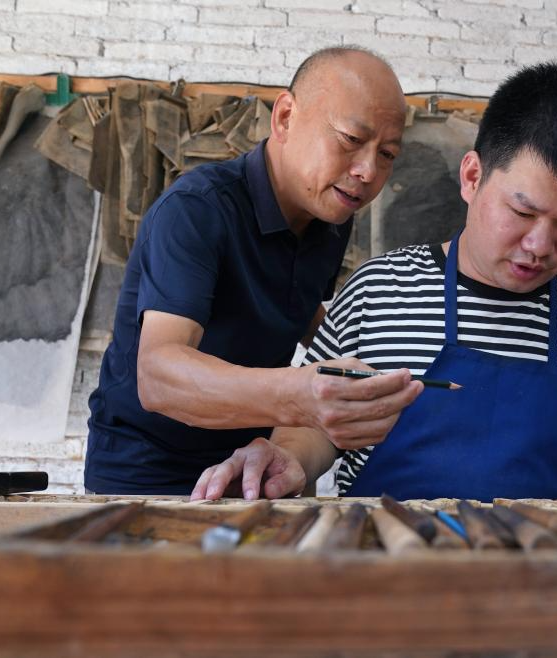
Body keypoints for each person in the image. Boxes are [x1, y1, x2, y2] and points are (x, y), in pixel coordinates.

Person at [190, 63, 557, 507]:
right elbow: (312, 431)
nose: (540, 245)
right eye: (522, 211)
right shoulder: (378, 291)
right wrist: (286, 459)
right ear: (472, 177)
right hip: (387, 583)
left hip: (541, 594)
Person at [84, 47, 424, 495]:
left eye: (387, 154)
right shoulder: (197, 210)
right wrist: (300, 394)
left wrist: (370, 360)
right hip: (144, 471)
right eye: (350, 140)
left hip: (249, 466)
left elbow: (290, 308)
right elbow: (159, 376)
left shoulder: (329, 215)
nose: (367, 171)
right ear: (284, 117)